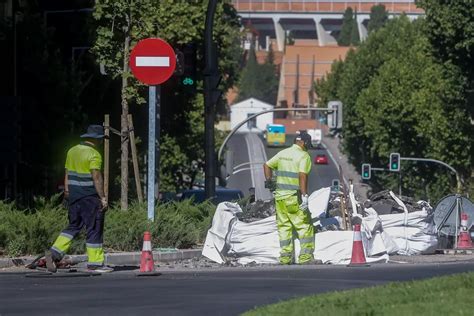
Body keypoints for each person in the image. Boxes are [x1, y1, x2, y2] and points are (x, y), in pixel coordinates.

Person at [45, 125, 112, 273]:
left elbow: (67, 173)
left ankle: (54, 253)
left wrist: (67, 192)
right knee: (94, 228)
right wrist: (103, 197)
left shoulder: (72, 151)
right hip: (90, 197)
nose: (101, 142)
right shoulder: (94, 154)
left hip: (74, 197)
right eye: (101, 139)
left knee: (74, 226)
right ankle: (95, 264)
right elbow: (96, 176)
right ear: (97, 139)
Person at [263, 132, 315, 265]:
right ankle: (305, 258)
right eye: (308, 144)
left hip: (280, 198)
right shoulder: (304, 156)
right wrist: (304, 196)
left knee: (284, 227)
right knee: (304, 226)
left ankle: (285, 258)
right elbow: (302, 176)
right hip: (293, 197)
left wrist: (269, 181)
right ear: (304, 143)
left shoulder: (283, 153)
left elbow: (267, 165)